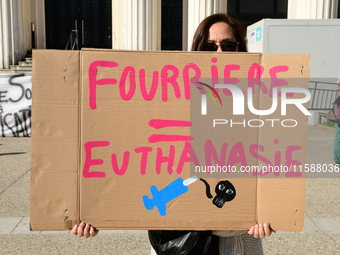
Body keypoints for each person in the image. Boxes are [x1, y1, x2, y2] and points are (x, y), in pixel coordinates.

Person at [72, 13, 273, 254]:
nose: (219, 53)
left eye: (228, 45)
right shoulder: (170, 99)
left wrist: (266, 215)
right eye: (209, 46)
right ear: (196, 51)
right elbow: (134, 167)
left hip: (235, 245)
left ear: (241, 50)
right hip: (178, 243)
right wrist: (94, 213)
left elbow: (270, 178)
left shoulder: (261, 104)